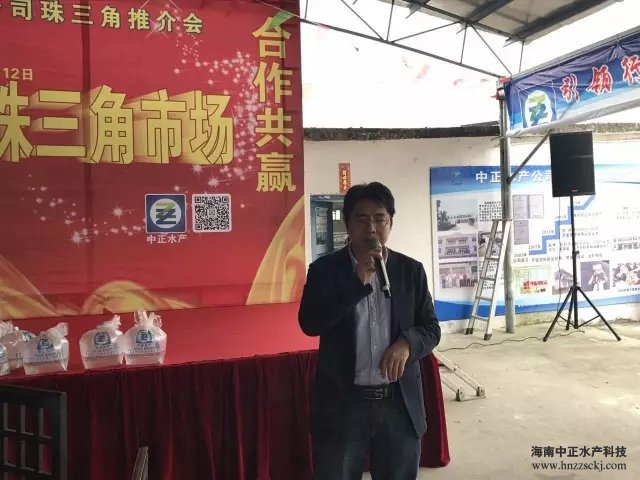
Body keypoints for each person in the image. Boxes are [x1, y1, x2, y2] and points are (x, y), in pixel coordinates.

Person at [298, 182, 441, 480]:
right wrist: (355, 283)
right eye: (362, 219)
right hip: (343, 403)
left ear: (390, 223)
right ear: (347, 223)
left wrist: (407, 344)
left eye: (380, 219)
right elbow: (310, 324)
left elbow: (430, 328)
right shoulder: (324, 270)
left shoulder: (410, 270)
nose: (371, 228)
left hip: (398, 403)